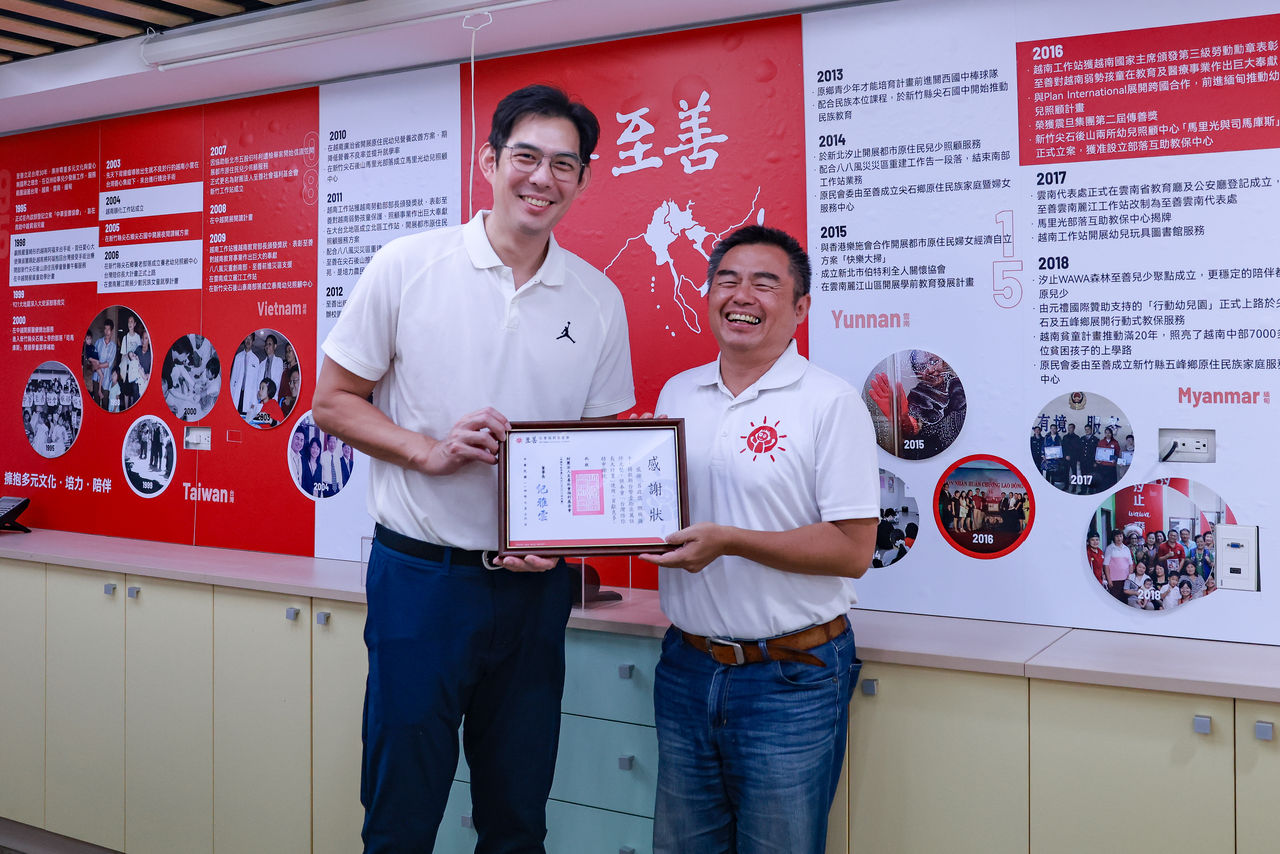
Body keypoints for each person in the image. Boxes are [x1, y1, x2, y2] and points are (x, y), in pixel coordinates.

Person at [312, 84, 634, 853]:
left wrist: (560, 542)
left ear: (583, 179)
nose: (542, 178)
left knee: (518, 813)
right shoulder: (408, 266)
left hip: (535, 593)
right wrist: (426, 451)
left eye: (564, 164)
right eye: (526, 157)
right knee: (401, 808)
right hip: (422, 581)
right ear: (489, 162)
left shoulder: (599, 299)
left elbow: (599, 447)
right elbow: (332, 401)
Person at [638, 225, 878, 854]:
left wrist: (730, 540)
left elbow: (853, 549)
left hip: (790, 679)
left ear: (800, 307)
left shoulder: (830, 402)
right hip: (686, 667)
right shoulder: (679, 392)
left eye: (764, 284)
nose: (741, 295)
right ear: (708, 295)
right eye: (728, 280)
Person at [869, 349, 965, 459]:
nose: (930, 370)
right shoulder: (917, 396)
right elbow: (911, 430)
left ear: (943, 362)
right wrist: (901, 417)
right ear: (916, 373)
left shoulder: (961, 385)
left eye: (934, 362)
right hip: (930, 455)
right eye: (921, 367)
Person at [229, 333, 262, 417]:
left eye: (250, 339)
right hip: (237, 392)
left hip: (248, 395)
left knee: (245, 416)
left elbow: (256, 382)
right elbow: (233, 378)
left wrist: (254, 401)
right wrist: (230, 396)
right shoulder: (238, 357)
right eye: (246, 338)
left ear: (253, 341)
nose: (248, 341)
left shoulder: (256, 360)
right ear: (244, 340)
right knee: (235, 415)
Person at [1103, 529, 1132, 602]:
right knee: (1115, 601)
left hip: (1125, 580)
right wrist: (1109, 579)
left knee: (1124, 601)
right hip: (1114, 580)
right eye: (1117, 536)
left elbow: (1130, 564)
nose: (1119, 538)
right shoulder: (1110, 548)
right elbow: (1106, 565)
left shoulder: (1126, 549)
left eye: (1120, 536)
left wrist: (1130, 577)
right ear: (1113, 537)